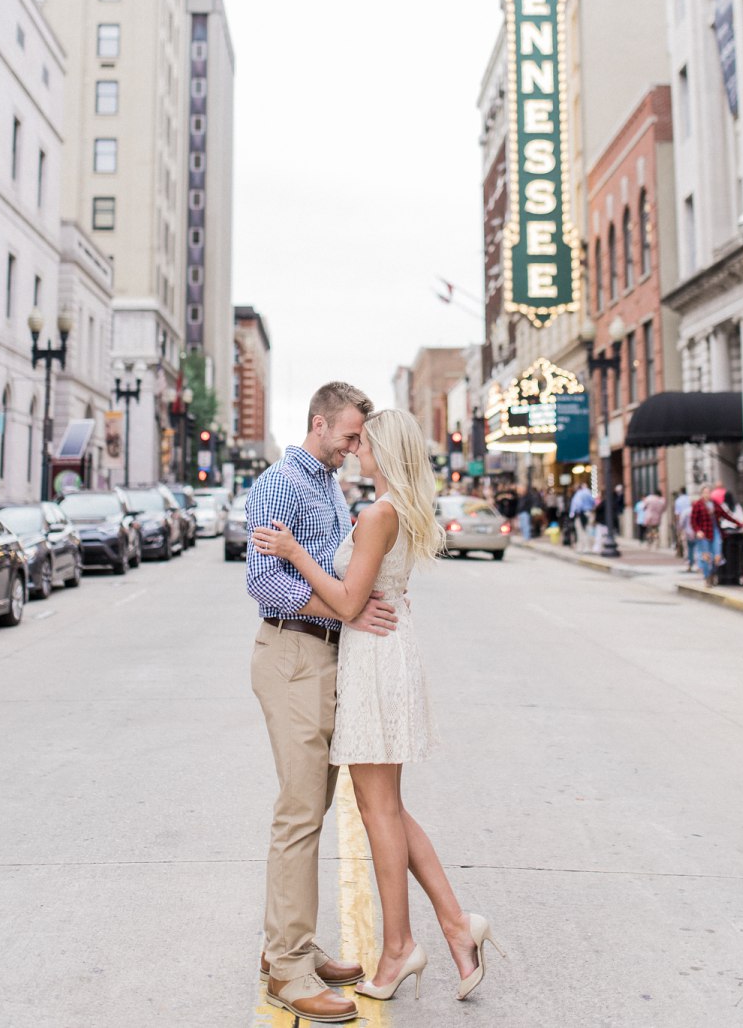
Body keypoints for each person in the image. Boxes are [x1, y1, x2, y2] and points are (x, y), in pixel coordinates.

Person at [253, 409, 505, 1009]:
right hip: (380, 654)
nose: (356, 447)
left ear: (384, 452)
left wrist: (291, 548)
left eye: (364, 441)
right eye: (352, 437)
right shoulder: (394, 508)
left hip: (372, 659)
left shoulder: (375, 513)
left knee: (378, 809)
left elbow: (346, 598)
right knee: (384, 806)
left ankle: (400, 947)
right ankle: (453, 924)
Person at [246, 381, 397, 1025]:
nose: (355, 446)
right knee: (301, 812)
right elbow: (263, 581)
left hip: (325, 652)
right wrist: (346, 609)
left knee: (316, 803)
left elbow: (339, 575)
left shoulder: (328, 484)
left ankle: (292, 944)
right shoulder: (281, 483)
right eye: (349, 435)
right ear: (319, 423)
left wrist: (351, 609)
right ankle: (287, 968)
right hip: (293, 653)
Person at [690, 484, 741, 585]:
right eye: (705, 492)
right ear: (701, 494)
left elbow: (725, 515)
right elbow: (693, 520)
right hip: (704, 532)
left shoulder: (715, 504)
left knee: (717, 555)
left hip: (715, 531)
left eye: (709, 492)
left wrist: (738, 523)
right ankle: (707, 576)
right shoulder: (698, 505)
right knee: (705, 556)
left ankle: (713, 573)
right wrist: (698, 531)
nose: (707, 494)